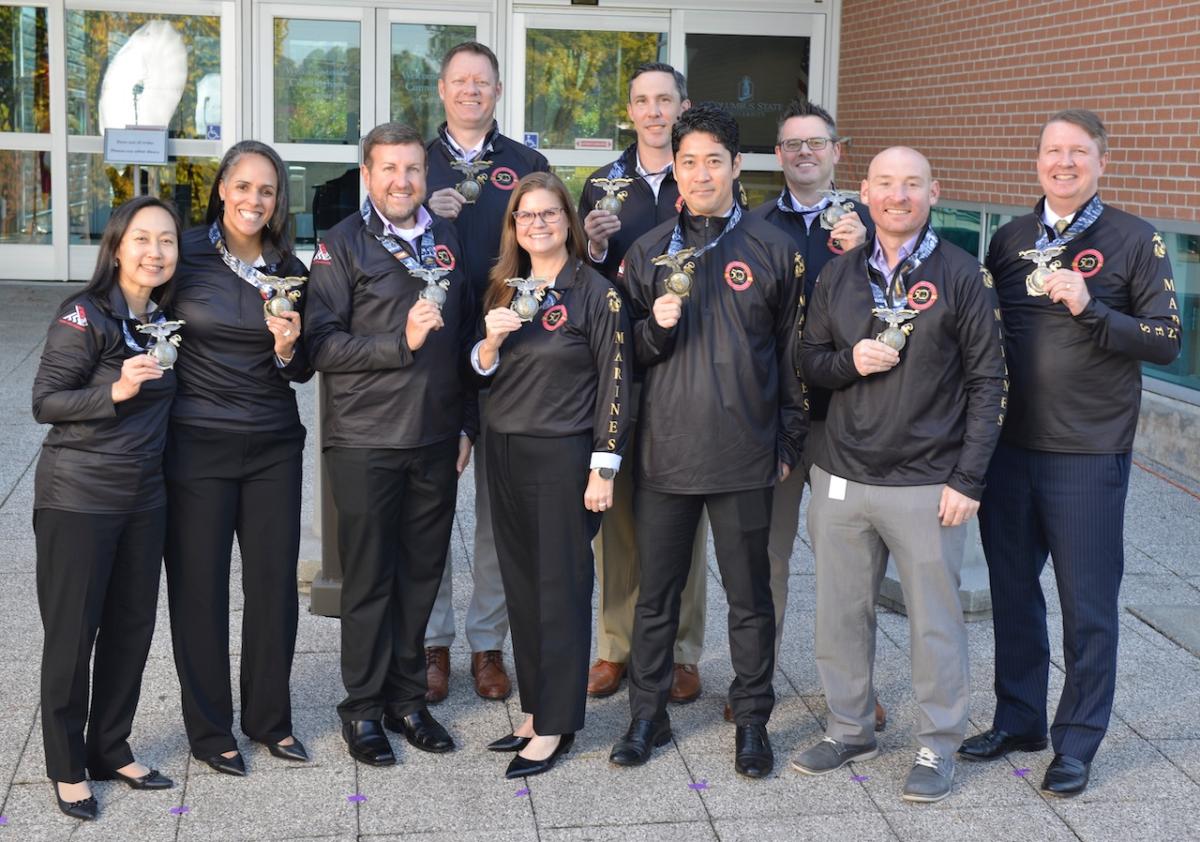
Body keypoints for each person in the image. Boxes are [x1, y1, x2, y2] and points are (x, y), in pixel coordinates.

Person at [959, 110, 1180, 796]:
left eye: (1077, 153)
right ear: (1037, 162)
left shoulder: (1136, 240)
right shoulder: (1012, 240)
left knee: (1087, 605)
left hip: (1086, 452)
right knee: (1014, 594)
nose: (1063, 163)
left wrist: (1092, 309)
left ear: (1101, 162)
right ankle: (1020, 717)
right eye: (1053, 151)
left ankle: (1077, 741)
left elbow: (1166, 339)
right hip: (1010, 451)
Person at [792, 147, 1006, 804]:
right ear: (864, 192)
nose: (897, 195)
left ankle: (938, 743)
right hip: (842, 476)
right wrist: (850, 361)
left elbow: (990, 381)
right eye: (884, 183)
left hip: (925, 481)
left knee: (934, 621)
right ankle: (850, 726)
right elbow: (809, 360)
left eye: (911, 184)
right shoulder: (839, 274)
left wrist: (968, 480)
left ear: (933, 192)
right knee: (839, 613)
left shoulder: (964, 274)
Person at [608, 103, 804, 779]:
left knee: (750, 598)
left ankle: (752, 720)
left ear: (736, 167)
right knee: (655, 594)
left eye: (712, 160)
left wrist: (785, 439)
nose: (699, 173)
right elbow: (619, 355)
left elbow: (794, 358)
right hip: (665, 453)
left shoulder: (775, 251)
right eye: (687, 160)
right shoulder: (647, 252)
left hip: (746, 453)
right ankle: (647, 714)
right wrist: (654, 328)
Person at [305, 123, 477, 767]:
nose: (402, 181)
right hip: (366, 441)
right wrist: (397, 343)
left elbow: (463, 341)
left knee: (421, 578)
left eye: (412, 170)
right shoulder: (340, 246)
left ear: (424, 176)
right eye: (389, 170)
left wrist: (466, 423)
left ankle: (408, 700)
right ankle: (362, 709)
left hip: (435, 438)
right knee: (370, 580)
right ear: (368, 175)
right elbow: (321, 346)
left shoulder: (446, 240)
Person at [474, 171, 630, 779]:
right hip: (505, 451)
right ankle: (537, 708)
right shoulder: (501, 291)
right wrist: (486, 347)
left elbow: (617, 382)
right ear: (514, 226)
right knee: (522, 586)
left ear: (568, 219)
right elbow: (481, 371)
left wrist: (603, 466)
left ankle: (559, 722)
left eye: (547, 213)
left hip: (564, 457)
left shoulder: (597, 293)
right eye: (525, 216)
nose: (537, 224)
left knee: (561, 590)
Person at [32, 196, 182, 820]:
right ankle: (68, 767)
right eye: (142, 239)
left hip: (144, 499)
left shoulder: (162, 321)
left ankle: (110, 746)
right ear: (117, 246)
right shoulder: (83, 314)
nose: (155, 252)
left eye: (167, 241)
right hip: (80, 499)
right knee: (73, 637)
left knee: (130, 629)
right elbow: (46, 401)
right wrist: (114, 389)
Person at [165, 140, 311, 776]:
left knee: (274, 588)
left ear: (279, 202)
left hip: (273, 444)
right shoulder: (186, 255)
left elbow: (305, 367)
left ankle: (269, 721)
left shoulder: (291, 268)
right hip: (196, 442)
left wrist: (287, 348)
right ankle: (208, 729)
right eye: (245, 186)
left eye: (268, 191)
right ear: (222, 188)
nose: (255, 200)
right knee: (199, 588)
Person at [576, 61, 709, 705]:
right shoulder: (604, 184)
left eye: (665, 100)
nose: (654, 111)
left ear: (683, 106)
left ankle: (683, 651)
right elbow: (579, 279)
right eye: (642, 101)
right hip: (622, 367)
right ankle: (617, 646)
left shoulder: (701, 174)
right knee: (620, 514)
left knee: (684, 515)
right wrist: (594, 250)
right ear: (629, 111)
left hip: (690, 371)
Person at [749, 100, 885, 730]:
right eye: (792, 144)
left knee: (846, 566)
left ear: (837, 151)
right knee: (766, 560)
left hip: (846, 420)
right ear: (778, 156)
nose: (804, 153)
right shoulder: (752, 226)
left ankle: (853, 696)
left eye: (816, 143)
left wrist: (867, 256)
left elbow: (905, 316)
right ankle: (757, 686)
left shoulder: (876, 224)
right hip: (776, 418)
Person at [423, 41, 551, 703]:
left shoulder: (527, 165)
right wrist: (423, 211)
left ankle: (487, 644)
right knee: (434, 505)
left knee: (499, 516)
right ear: (442, 89)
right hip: (433, 361)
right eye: (460, 81)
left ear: (497, 92)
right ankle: (434, 642)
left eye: (483, 82)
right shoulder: (413, 165)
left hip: (511, 359)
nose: (472, 91)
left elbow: (552, 256)